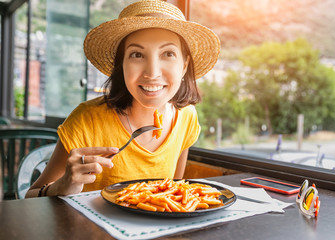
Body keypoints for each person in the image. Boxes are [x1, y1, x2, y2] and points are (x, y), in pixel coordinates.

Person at [26, 0, 220, 198]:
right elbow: (30, 197)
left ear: (185, 65)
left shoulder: (186, 117)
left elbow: (173, 193)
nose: (152, 73)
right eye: (137, 54)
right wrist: (61, 187)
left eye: (168, 54)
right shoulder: (87, 120)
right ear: (122, 65)